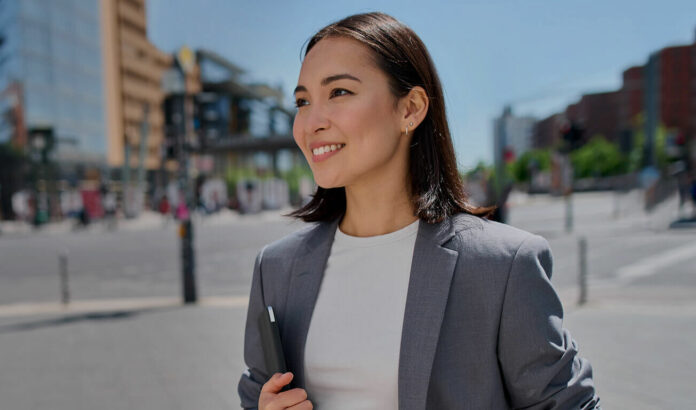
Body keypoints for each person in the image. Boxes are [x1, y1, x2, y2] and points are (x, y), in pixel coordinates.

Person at [238, 12, 599, 410]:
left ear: (410, 109)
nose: (311, 122)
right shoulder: (276, 268)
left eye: (339, 92)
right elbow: (254, 394)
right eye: (303, 101)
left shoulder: (502, 265)